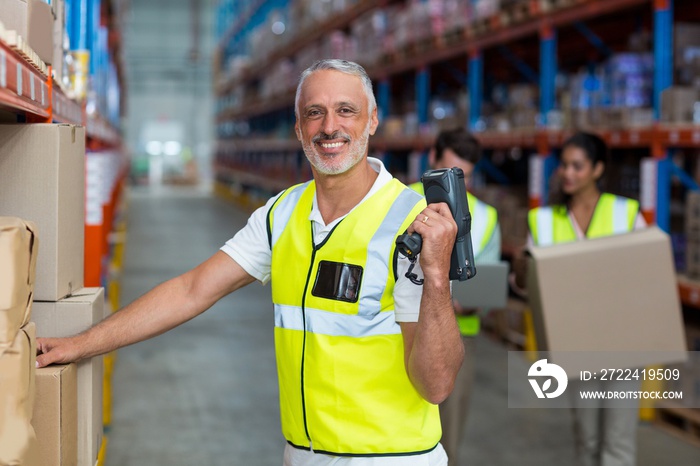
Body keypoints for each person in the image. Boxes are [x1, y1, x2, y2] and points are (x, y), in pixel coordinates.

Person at [35, 59, 465, 465]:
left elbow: (436, 383)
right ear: (298, 129)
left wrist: (437, 279)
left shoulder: (412, 225)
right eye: (314, 113)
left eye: (346, 110)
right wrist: (79, 343)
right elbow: (192, 290)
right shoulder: (283, 215)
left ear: (372, 120)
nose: (329, 127)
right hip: (302, 454)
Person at [527, 131, 646, 466]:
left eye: (577, 166)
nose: (568, 173)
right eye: (564, 165)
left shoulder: (626, 214)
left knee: (618, 442)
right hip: (577, 345)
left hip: (623, 347)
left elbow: (644, 276)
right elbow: (529, 284)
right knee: (587, 439)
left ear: (597, 169)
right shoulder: (545, 220)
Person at [408, 128, 500, 465]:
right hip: (398, 332)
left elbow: (485, 287)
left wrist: (452, 299)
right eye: (449, 174)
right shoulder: (399, 201)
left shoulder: (486, 216)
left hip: (459, 338)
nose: (457, 187)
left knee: (447, 444)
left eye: (464, 177)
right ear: (432, 158)